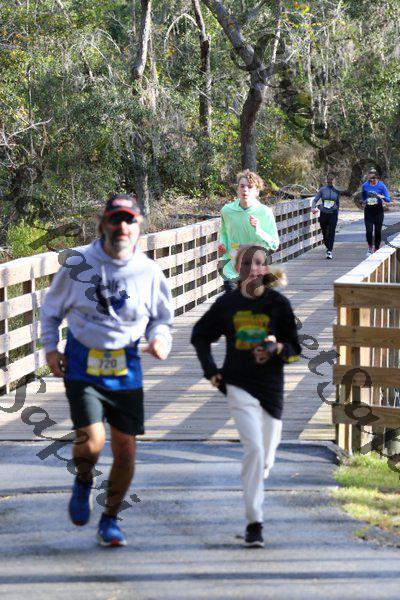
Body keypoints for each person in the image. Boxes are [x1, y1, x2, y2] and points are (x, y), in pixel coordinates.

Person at [40, 193, 173, 547]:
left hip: (126, 364)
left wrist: (159, 339)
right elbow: (50, 310)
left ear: (139, 226)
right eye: (116, 219)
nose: (122, 227)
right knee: (93, 440)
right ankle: (84, 480)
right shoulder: (79, 264)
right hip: (83, 362)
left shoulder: (148, 271)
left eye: (129, 220)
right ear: (103, 224)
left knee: (126, 449)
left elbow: (162, 318)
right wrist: (51, 348)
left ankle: (110, 520)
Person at [191, 245, 300, 547]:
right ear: (237, 269)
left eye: (260, 263)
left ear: (267, 269)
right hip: (238, 384)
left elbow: (295, 350)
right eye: (247, 263)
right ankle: (255, 522)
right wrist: (211, 371)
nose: (253, 269)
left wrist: (277, 348)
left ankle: (256, 492)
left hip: (271, 389)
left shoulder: (278, 304)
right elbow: (200, 335)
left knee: (266, 457)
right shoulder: (227, 304)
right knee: (254, 450)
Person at [218, 170, 280, 292]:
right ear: (237, 190)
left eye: (250, 187)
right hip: (232, 270)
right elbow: (224, 233)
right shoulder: (227, 211)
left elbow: (274, 244)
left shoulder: (265, 212)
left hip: (256, 271)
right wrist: (223, 245)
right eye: (242, 186)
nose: (245, 190)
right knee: (234, 303)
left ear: (257, 191)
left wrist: (259, 229)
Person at [361, 169, 391, 254]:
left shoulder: (381, 186)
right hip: (368, 211)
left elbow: (388, 199)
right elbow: (363, 197)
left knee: (378, 231)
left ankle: (376, 248)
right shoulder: (365, 185)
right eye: (370, 178)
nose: (372, 180)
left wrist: (381, 196)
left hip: (378, 211)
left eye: (373, 178)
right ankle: (370, 247)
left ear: (377, 177)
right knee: (369, 231)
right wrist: (363, 201)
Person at [311, 173, 340, 259]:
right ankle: (328, 246)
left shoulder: (337, 191)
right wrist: (313, 207)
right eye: (329, 180)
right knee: (324, 232)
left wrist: (337, 211)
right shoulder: (322, 190)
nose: (330, 182)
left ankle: (329, 251)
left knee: (331, 232)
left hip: (333, 213)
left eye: (332, 180)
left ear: (334, 181)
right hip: (324, 213)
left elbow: (338, 202)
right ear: (326, 181)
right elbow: (315, 200)